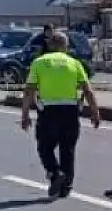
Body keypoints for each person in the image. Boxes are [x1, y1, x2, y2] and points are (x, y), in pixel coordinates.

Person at [19, 31, 102, 199]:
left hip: (48, 112)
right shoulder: (75, 63)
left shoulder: (39, 63)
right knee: (68, 150)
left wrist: (25, 115)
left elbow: (29, 91)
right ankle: (66, 187)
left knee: (45, 147)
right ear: (66, 46)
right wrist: (95, 111)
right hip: (71, 112)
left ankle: (55, 173)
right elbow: (88, 90)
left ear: (50, 46)